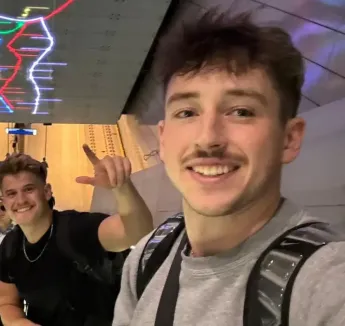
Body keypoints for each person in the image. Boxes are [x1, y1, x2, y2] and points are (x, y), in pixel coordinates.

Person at [112, 9, 345, 326]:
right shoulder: (146, 259)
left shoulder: (324, 280)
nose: (208, 138)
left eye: (241, 111)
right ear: (163, 140)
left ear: (289, 139)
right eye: (187, 112)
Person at [0, 144, 153, 326]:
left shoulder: (76, 229)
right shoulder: (11, 246)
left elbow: (137, 232)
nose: (21, 200)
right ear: (4, 201)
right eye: (11, 193)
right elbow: (7, 302)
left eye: (28, 189)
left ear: (47, 192)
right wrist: (18, 322)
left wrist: (121, 187)